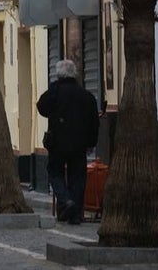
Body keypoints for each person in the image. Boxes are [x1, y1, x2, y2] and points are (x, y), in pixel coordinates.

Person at [37, 59, 99, 225]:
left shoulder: (55, 92)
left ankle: (65, 200)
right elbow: (94, 121)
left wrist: (53, 88)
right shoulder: (86, 95)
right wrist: (91, 142)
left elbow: (41, 107)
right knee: (78, 177)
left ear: (59, 75)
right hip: (80, 144)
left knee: (55, 172)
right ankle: (76, 213)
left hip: (58, 143)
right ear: (74, 74)